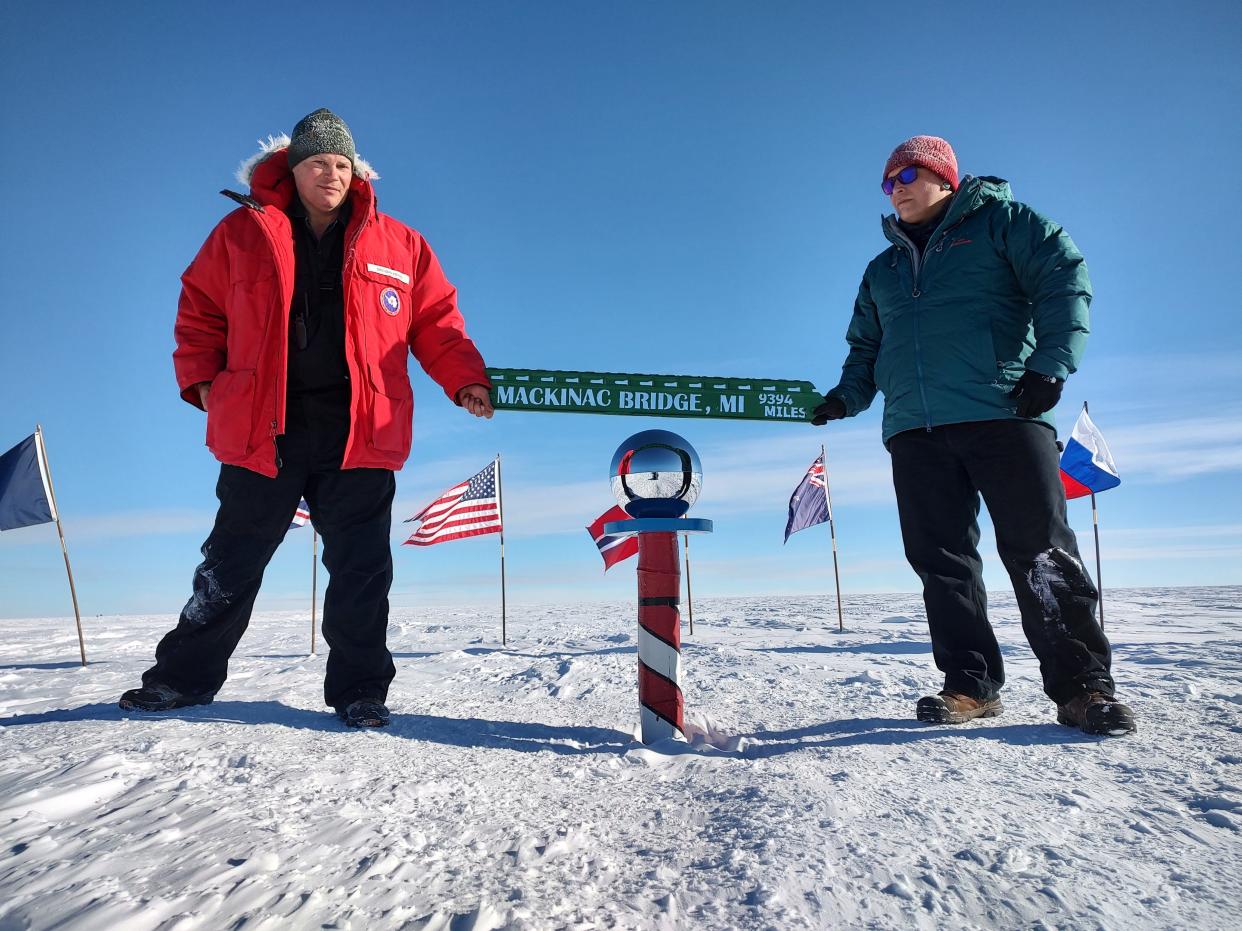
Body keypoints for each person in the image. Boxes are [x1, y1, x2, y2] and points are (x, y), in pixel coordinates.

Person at [120, 109, 493, 728]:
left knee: (361, 570)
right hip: (264, 428)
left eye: (342, 163)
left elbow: (437, 324)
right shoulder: (241, 234)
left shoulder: (401, 243)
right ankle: (179, 680)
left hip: (361, 429)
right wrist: (204, 383)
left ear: (356, 171)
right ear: (292, 170)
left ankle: (360, 690)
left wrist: (466, 380)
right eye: (318, 162)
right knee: (231, 562)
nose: (331, 173)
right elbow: (200, 312)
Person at [812, 135, 1135, 736]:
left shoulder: (1004, 225)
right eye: (888, 182)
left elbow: (1064, 281)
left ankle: (1084, 688)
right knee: (941, 561)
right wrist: (846, 397)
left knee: (1040, 550)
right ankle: (970, 685)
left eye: (909, 174)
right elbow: (865, 348)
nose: (898, 188)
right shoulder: (881, 269)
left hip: (1004, 413)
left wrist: (1050, 365)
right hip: (915, 430)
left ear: (944, 178)